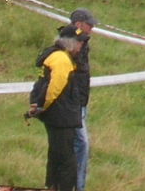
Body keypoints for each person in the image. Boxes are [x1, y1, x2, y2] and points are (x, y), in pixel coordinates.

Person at [39, 10, 98, 191]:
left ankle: (65, 186)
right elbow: (56, 85)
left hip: (75, 105)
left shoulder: (78, 46)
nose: (92, 29)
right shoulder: (65, 55)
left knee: (68, 149)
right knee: (78, 147)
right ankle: (75, 187)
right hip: (68, 109)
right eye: (90, 25)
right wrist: (45, 105)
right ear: (79, 24)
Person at [27, 27, 86, 191]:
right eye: (80, 42)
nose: (81, 46)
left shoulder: (55, 55)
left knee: (56, 154)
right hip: (61, 115)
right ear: (71, 43)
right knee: (66, 159)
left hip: (56, 114)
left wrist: (39, 107)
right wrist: (42, 107)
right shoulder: (61, 59)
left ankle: (53, 186)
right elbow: (54, 88)